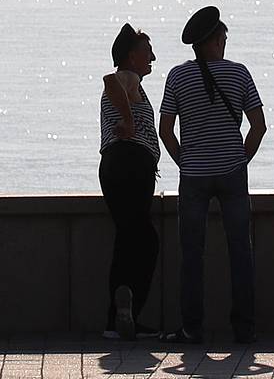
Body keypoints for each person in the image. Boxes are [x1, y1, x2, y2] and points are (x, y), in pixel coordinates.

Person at [159, 6, 267, 345]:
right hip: (232, 174)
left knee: (192, 254)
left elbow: (165, 130)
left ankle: (192, 328)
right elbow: (258, 126)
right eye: (223, 38)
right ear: (216, 41)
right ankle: (244, 329)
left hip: (193, 175)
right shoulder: (239, 74)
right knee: (241, 251)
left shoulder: (177, 77)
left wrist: (185, 161)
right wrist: (240, 160)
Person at [99, 24, 161, 341]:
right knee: (145, 241)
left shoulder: (132, 82)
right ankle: (126, 314)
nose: (153, 57)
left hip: (113, 165)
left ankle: (119, 317)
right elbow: (111, 81)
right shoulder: (126, 78)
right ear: (131, 56)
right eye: (147, 51)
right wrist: (127, 119)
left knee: (129, 234)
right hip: (131, 163)